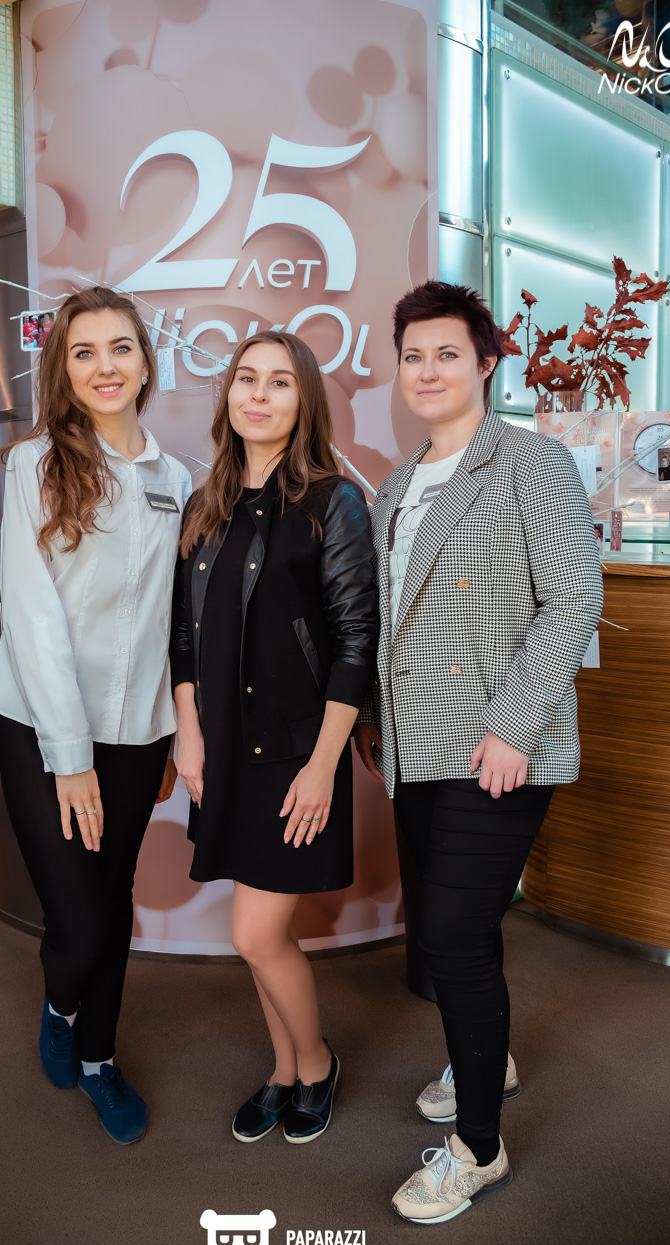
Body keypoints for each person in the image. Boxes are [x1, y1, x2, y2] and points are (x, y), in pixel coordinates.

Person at [353, 282, 603, 1224]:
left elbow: (573, 598)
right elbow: (389, 623)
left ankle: (478, 1152)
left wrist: (512, 722)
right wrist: (374, 721)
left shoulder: (530, 460)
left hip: (496, 746)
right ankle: (482, 1060)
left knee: (452, 939)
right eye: (412, 356)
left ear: (486, 363)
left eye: (446, 354)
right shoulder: (394, 483)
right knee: (458, 932)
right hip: (414, 744)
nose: (427, 371)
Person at [0, 286, 190, 1144]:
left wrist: (174, 733)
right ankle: (60, 1008)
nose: (104, 366)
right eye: (83, 352)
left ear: (145, 363)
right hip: (40, 724)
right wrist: (70, 758)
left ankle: (101, 1059)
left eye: (119, 348)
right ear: (63, 370)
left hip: (138, 731)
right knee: (77, 927)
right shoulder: (34, 465)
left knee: (112, 899)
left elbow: (174, 620)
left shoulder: (176, 478)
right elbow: (33, 617)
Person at [170, 331, 378, 1145]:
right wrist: (188, 734)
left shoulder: (333, 502)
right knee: (264, 938)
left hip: (296, 754)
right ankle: (284, 1070)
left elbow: (355, 643)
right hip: (223, 750)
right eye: (245, 379)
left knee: (253, 935)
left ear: (304, 402)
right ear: (228, 394)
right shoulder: (206, 503)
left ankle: (317, 1063)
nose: (257, 394)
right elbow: (182, 638)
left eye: (279, 382)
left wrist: (324, 766)